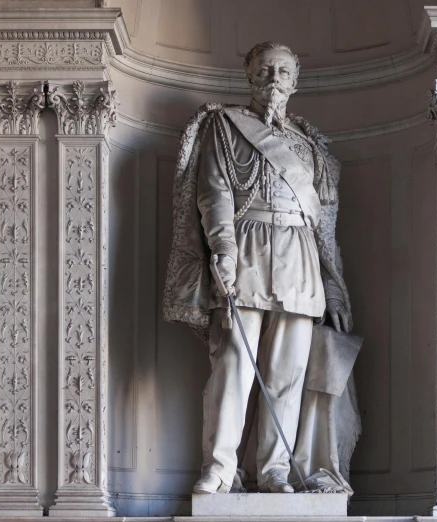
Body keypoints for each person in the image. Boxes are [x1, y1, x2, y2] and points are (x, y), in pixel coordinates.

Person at [163, 41, 357, 495]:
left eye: (284, 71)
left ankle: (273, 470)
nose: (274, 79)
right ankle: (220, 467)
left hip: (301, 257)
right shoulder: (224, 127)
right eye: (265, 69)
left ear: (295, 81)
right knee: (233, 364)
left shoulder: (310, 146)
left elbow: (325, 225)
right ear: (249, 76)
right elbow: (214, 195)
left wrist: (333, 289)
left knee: (287, 373)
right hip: (247, 248)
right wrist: (224, 253)